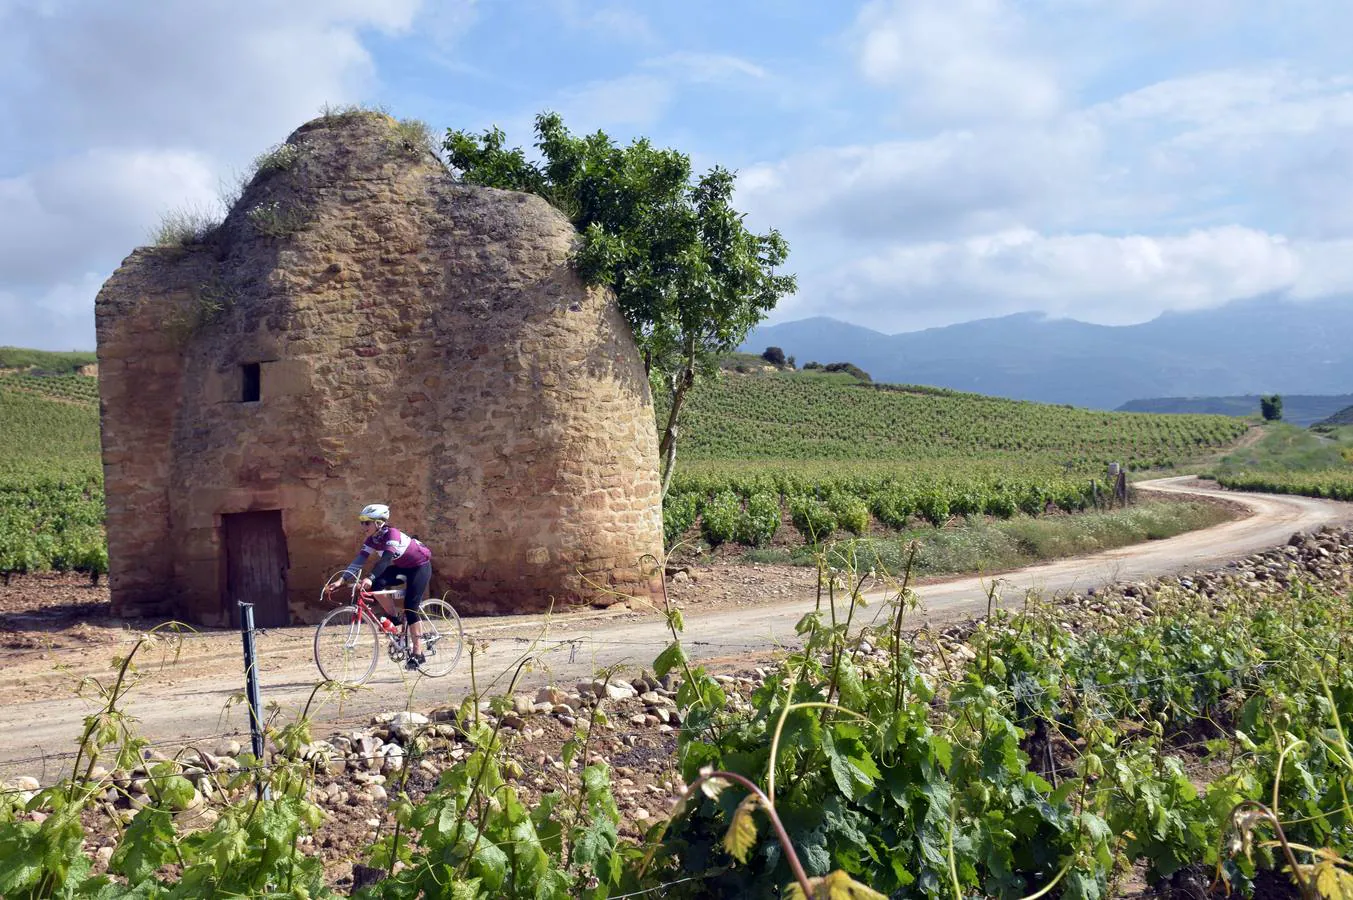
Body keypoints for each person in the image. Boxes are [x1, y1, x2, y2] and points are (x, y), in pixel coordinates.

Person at [328, 503, 433, 670]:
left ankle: (418, 653)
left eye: (366, 522)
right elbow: (360, 559)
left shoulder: (392, 534)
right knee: (377, 585)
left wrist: (369, 577)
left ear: (378, 523)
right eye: (361, 522)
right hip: (402, 568)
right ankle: (394, 618)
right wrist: (342, 579)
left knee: (411, 607)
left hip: (419, 567)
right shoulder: (372, 539)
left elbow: (385, 560)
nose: (363, 526)